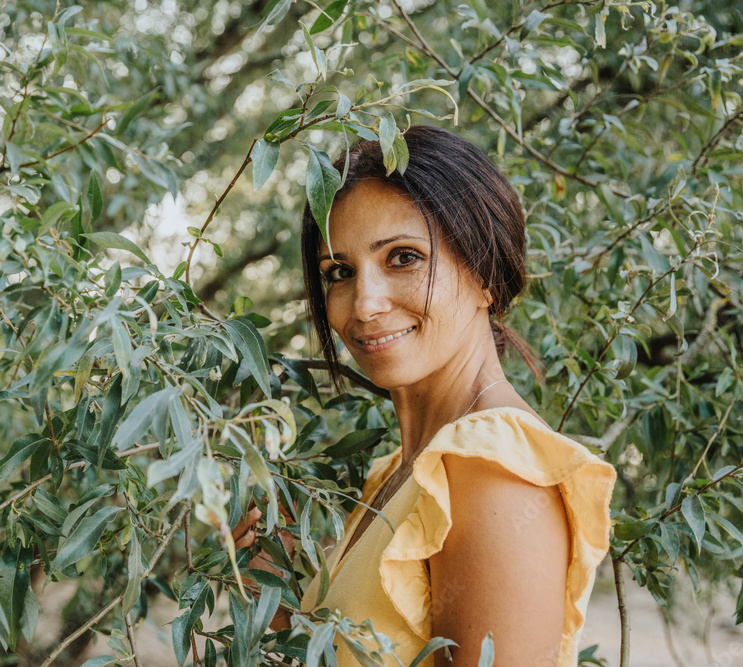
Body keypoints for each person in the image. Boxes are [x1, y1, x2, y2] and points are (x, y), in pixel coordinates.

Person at [234, 125, 615, 666]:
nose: (364, 305)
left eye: (403, 258)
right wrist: (276, 606)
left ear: (485, 273)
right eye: (340, 272)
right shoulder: (402, 471)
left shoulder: (493, 470)